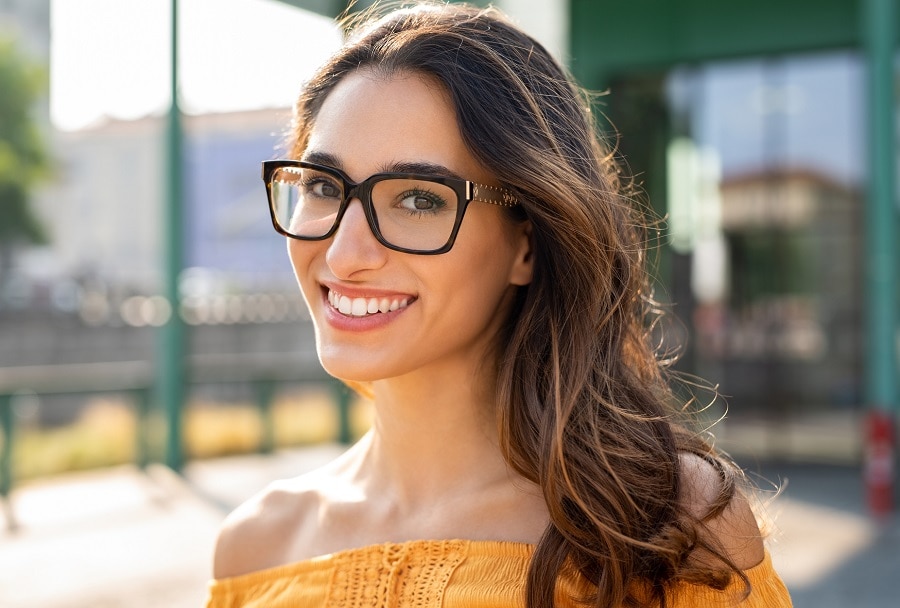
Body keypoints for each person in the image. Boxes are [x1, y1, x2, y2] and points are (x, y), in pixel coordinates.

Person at [206, 3, 793, 607]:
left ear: (527, 243)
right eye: (324, 188)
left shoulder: (665, 530)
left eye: (417, 199)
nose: (345, 253)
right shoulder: (255, 550)